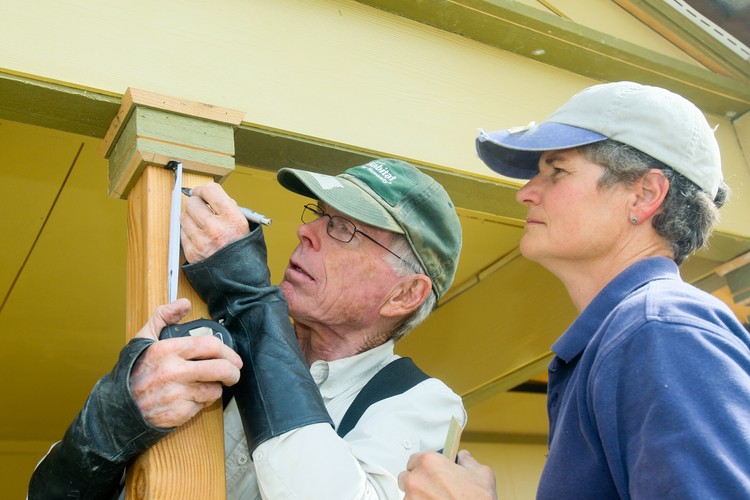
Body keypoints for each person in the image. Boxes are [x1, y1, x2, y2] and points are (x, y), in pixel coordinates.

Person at [29, 158, 465, 499]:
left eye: (342, 228)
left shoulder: (424, 404)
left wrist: (249, 297)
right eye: (318, 214)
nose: (306, 230)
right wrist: (117, 414)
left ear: (404, 294)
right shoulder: (214, 342)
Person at [399, 81, 750, 499]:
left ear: (645, 194)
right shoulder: (628, 336)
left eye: (557, 171)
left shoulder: (660, 329)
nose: (525, 192)